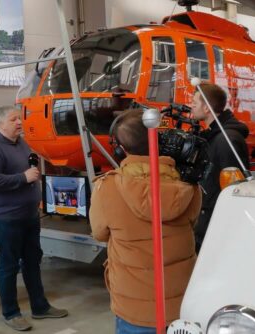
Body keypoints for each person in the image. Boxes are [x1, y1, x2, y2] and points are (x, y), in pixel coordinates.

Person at [89, 109, 201, 333]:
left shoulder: (107, 188)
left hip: (133, 305)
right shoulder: (188, 185)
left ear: (120, 149)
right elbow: (193, 224)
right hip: (182, 302)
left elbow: (99, 233)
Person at [0, 106, 68, 331]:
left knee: (32, 262)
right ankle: (10, 313)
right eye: (14, 119)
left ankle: (40, 307)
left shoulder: (21, 143)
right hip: (7, 219)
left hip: (28, 216)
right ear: (1, 124)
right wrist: (23, 177)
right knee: (8, 266)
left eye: (20, 118)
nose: (19, 122)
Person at [190, 83, 249, 252]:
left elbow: (233, 190)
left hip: (215, 227)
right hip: (208, 222)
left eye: (195, 101)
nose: (191, 104)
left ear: (207, 108)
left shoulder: (225, 141)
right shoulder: (214, 136)